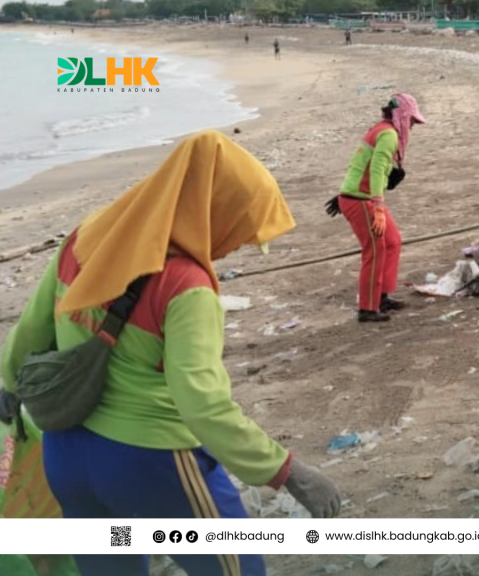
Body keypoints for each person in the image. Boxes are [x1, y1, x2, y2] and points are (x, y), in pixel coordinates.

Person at [0, 131, 343, 576]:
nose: (233, 246)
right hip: (150, 463)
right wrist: (286, 471)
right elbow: (202, 403)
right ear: (211, 212)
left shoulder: (85, 238)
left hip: (65, 453)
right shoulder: (186, 287)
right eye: (237, 230)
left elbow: (30, 331)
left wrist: (8, 384)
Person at [325, 94, 426, 323]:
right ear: (401, 116)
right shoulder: (389, 134)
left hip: (360, 196)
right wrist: (378, 206)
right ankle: (367, 308)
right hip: (361, 200)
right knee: (375, 249)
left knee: (392, 241)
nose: (412, 125)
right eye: (411, 120)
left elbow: (362, 164)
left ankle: (382, 296)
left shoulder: (380, 129)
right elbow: (377, 169)